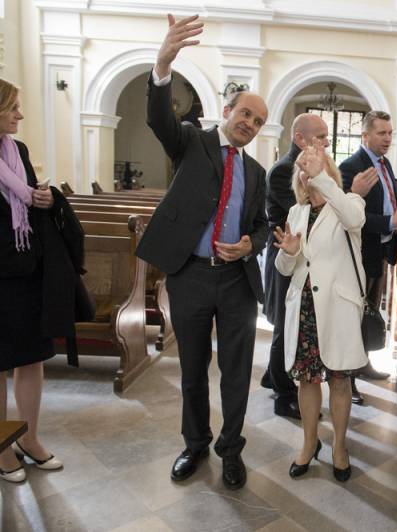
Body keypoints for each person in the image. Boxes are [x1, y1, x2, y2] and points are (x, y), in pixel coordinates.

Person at [135, 14, 269, 490]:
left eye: (258, 122)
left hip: (236, 283)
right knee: (192, 369)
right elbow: (158, 118)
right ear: (227, 111)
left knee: (235, 373)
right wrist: (163, 63)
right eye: (245, 114)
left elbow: (262, 225)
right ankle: (194, 444)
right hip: (190, 275)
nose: (249, 124)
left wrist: (252, 243)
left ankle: (230, 450)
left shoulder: (256, 173)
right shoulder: (191, 141)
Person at [274, 146, 368, 482]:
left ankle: (339, 447)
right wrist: (289, 253)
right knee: (307, 379)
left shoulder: (349, 203)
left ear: (327, 171)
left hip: (337, 309)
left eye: (314, 165)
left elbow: (355, 220)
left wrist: (322, 178)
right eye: (302, 167)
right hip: (305, 310)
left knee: (340, 381)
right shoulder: (296, 211)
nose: (307, 170)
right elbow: (286, 267)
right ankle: (309, 442)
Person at [0, 78, 73, 482]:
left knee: (31, 357)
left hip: (26, 270)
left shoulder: (19, 151)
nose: (20, 115)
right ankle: (1, 448)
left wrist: (43, 199)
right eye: (13, 107)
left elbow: (27, 198)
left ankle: (28, 438)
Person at [339, 111, 397, 404]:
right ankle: (346, 381)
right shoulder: (350, 167)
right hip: (359, 255)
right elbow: (350, 216)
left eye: (390, 133)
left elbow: (385, 204)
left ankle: (363, 364)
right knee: (352, 320)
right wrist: (391, 222)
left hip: (381, 253)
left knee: (369, 314)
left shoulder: (385, 164)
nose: (388, 138)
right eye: (381, 133)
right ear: (365, 135)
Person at [262, 113, 331, 421]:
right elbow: (305, 208)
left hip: (304, 258)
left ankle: (272, 375)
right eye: (321, 136)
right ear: (300, 139)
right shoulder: (283, 171)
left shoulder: (311, 167)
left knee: (290, 323)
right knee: (285, 325)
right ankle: (284, 395)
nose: (327, 142)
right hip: (286, 256)